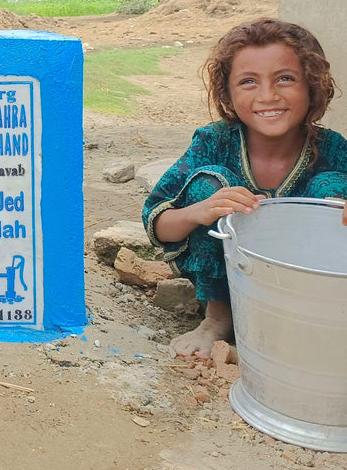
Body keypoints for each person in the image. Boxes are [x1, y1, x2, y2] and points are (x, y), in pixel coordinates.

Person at [143, 18, 347, 357]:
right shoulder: (214, 141)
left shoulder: (333, 149)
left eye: (285, 78)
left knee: (334, 189)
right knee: (211, 185)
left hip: (302, 295)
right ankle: (217, 318)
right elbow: (158, 224)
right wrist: (201, 210)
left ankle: (295, 329)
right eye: (248, 82)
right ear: (228, 93)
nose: (268, 96)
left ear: (311, 86)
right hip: (229, 279)